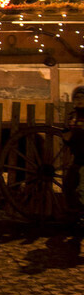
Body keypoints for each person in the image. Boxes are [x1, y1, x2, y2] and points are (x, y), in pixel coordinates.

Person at [62, 86, 84, 219]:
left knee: (83, 189)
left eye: (82, 97)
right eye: (77, 97)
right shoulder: (72, 117)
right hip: (77, 158)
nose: (80, 100)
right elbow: (67, 137)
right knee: (69, 185)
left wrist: (73, 134)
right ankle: (75, 216)